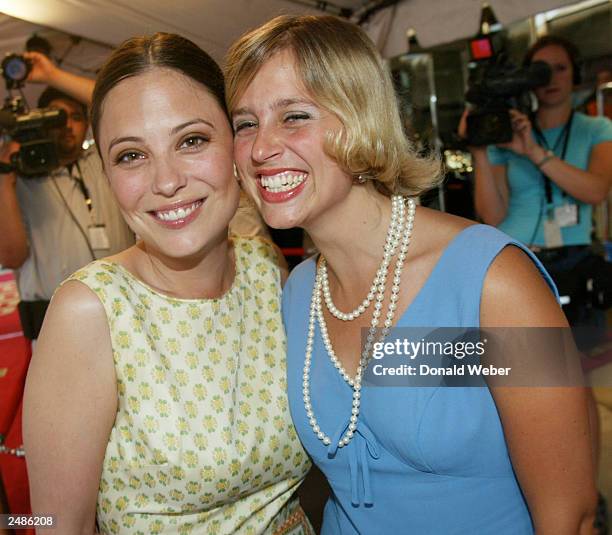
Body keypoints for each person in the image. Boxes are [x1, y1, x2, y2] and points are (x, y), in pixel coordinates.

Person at [226, 15, 597, 534]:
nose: (261, 147)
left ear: (361, 120)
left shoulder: (494, 282)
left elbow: (571, 514)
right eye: (245, 123)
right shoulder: (300, 293)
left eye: (294, 116)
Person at [23, 33, 312, 534]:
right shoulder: (91, 311)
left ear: (238, 144)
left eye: (192, 141)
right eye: (131, 155)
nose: (166, 181)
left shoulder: (266, 269)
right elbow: (51, 524)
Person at [465, 36, 612, 325]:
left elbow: (596, 191)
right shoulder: (507, 133)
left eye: (560, 68)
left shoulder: (596, 129)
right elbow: (492, 216)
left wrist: (533, 152)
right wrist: (479, 151)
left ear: (576, 74)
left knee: (581, 358)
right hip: (515, 260)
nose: (550, 78)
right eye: (540, 70)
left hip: (574, 264)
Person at [0, 51, 134, 341]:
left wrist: (52, 75)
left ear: (88, 123)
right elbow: (10, 256)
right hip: (55, 328)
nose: (66, 125)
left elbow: (122, 104)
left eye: (75, 117)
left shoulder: (105, 162)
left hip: (124, 315)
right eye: (56, 117)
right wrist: (4, 181)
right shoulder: (19, 179)